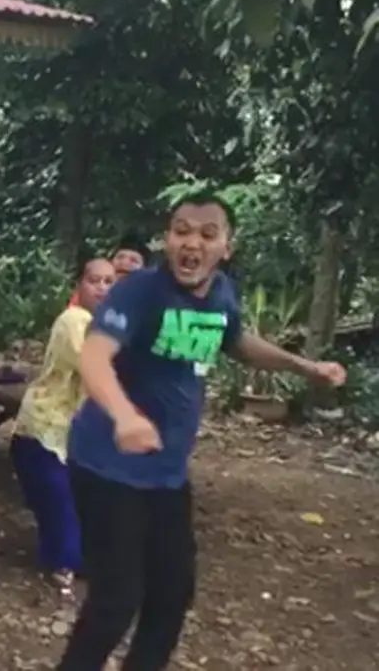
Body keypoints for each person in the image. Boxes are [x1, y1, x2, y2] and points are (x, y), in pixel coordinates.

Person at [56, 192, 346, 671]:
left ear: (226, 247)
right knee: (117, 600)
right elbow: (94, 355)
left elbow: (236, 340)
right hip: (106, 466)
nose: (192, 243)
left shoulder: (221, 293)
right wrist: (125, 416)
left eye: (207, 234)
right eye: (181, 230)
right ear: (167, 239)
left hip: (165, 474)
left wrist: (304, 366)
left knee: (170, 596)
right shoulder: (139, 291)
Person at [12, 257, 115, 597]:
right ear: (79, 285)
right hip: (43, 426)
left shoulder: (107, 325)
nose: (101, 288)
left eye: (109, 282)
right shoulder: (75, 320)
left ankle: (73, 558)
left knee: (77, 498)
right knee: (59, 501)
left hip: (72, 431)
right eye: (94, 281)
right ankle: (64, 563)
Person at [69, 233, 150, 307]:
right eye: (120, 257)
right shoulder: (91, 293)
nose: (124, 262)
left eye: (133, 260)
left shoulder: (149, 300)